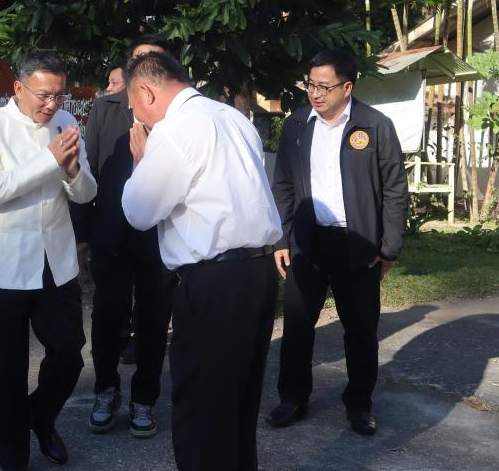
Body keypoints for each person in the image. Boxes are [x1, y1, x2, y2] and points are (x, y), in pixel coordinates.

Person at [122, 52, 281, 471]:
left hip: (215, 282)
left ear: (146, 92)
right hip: (258, 273)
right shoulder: (232, 118)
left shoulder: (174, 129)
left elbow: (139, 211)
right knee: (239, 403)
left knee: (203, 411)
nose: (137, 118)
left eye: (134, 107)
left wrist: (141, 162)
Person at [266, 47, 408, 436]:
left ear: (347, 87)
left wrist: (388, 247)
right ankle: (293, 398)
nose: (315, 93)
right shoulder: (297, 124)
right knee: (297, 327)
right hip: (307, 242)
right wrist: (281, 237)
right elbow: (283, 184)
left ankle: (359, 404)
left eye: (324, 86)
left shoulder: (374, 126)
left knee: (360, 331)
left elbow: (395, 189)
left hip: (358, 245)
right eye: (311, 85)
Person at [0, 50, 97, 471]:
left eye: (59, 95)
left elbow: (86, 194)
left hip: (55, 260)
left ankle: (39, 415)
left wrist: (73, 172)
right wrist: (50, 160)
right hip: (4, 264)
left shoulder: (67, 122)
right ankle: (13, 458)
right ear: (19, 88)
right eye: (44, 95)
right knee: (7, 369)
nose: (52, 104)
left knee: (69, 352)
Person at [84, 34, 177, 438]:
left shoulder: (178, 117)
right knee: (108, 315)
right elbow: (87, 171)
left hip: (160, 236)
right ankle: (105, 390)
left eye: (156, 59)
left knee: (154, 319)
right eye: (140, 59)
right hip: (112, 234)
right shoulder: (105, 109)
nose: (147, 67)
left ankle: (145, 399)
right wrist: (83, 233)